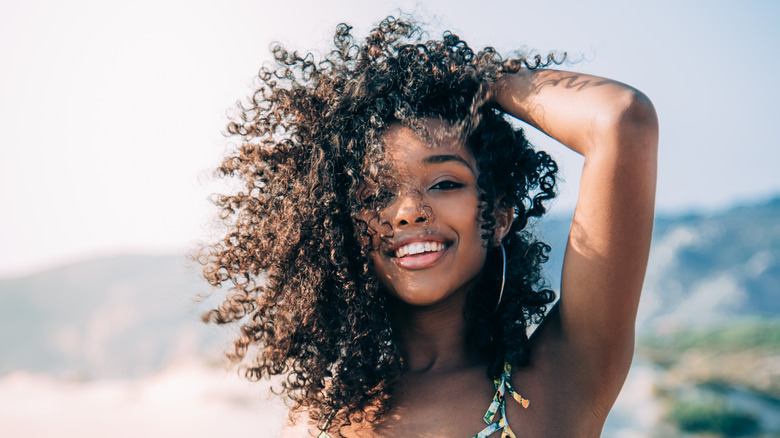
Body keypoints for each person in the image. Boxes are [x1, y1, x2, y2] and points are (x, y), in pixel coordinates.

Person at [200, 16, 658, 438]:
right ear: (344, 235)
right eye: (377, 194)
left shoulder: (562, 378)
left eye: (443, 182)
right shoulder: (318, 422)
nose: (408, 212)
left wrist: (478, 79)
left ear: (499, 215)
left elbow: (621, 119)